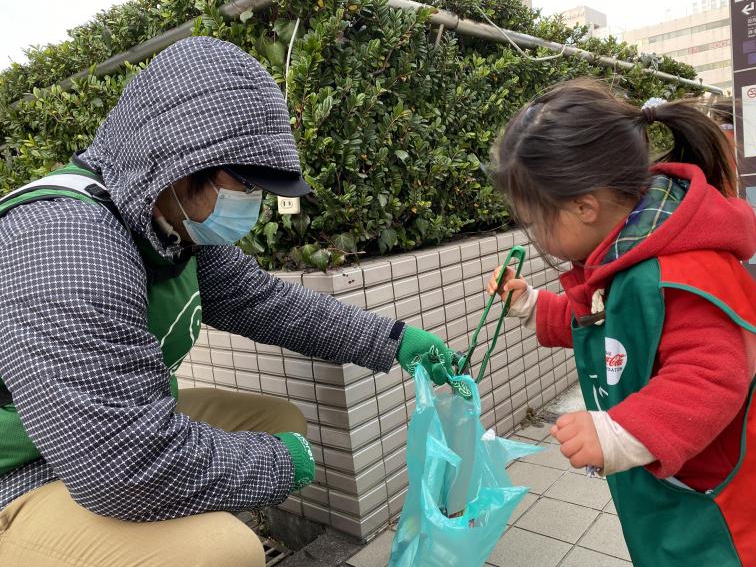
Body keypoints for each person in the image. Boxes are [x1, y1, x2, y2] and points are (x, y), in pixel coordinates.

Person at [0, 36, 459, 566]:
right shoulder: (66, 248)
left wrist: (392, 342)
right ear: (176, 162)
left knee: (278, 421)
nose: (253, 203)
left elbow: (263, 301)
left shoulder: (166, 225)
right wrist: (277, 466)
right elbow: (123, 468)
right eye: (243, 182)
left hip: (98, 435)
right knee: (223, 551)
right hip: (24, 473)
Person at [485, 78, 756, 566]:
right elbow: (604, 319)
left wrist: (619, 431)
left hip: (736, 503)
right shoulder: (643, 239)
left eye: (536, 221)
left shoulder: (675, 272)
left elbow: (711, 376)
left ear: (583, 207)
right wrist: (530, 304)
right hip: (722, 467)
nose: (537, 237)